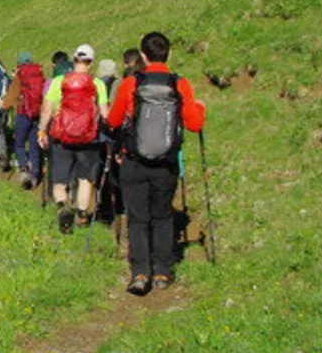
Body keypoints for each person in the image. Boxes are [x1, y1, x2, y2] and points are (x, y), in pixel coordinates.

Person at [107, 31, 206, 294]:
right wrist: (201, 108)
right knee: (163, 216)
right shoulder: (179, 84)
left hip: (134, 160)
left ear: (142, 55)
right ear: (169, 53)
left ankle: (140, 272)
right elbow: (195, 124)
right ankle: (163, 271)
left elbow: (114, 121)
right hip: (166, 163)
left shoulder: (131, 83)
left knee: (138, 218)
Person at [38, 44, 110, 234]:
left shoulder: (59, 81)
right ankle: (82, 216)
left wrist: (42, 131)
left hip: (62, 138)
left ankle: (63, 206)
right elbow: (105, 114)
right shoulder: (98, 84)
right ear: (91, 62)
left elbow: (47, 109)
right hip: (89, 139)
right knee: (85, 179)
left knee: (60, 181)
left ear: (74, 59)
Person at [11, 52, 47, 189]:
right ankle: (35, 175)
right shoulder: (40, 74)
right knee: (34, 145)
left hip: (23, 113)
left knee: (19, 144)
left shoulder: (20, 76)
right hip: (38, 114)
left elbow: (12, 96)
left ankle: (23, 169)